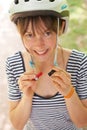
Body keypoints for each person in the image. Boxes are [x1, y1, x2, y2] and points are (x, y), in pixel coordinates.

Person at [6, 0, 87, 130]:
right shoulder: (14, 64)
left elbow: (83, 122)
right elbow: (17, 124)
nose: (39, 45)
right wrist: (27, 95)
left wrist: (69, 92)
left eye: (47, 33)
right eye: (30, 35)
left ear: (61, 27)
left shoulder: (79, 62)